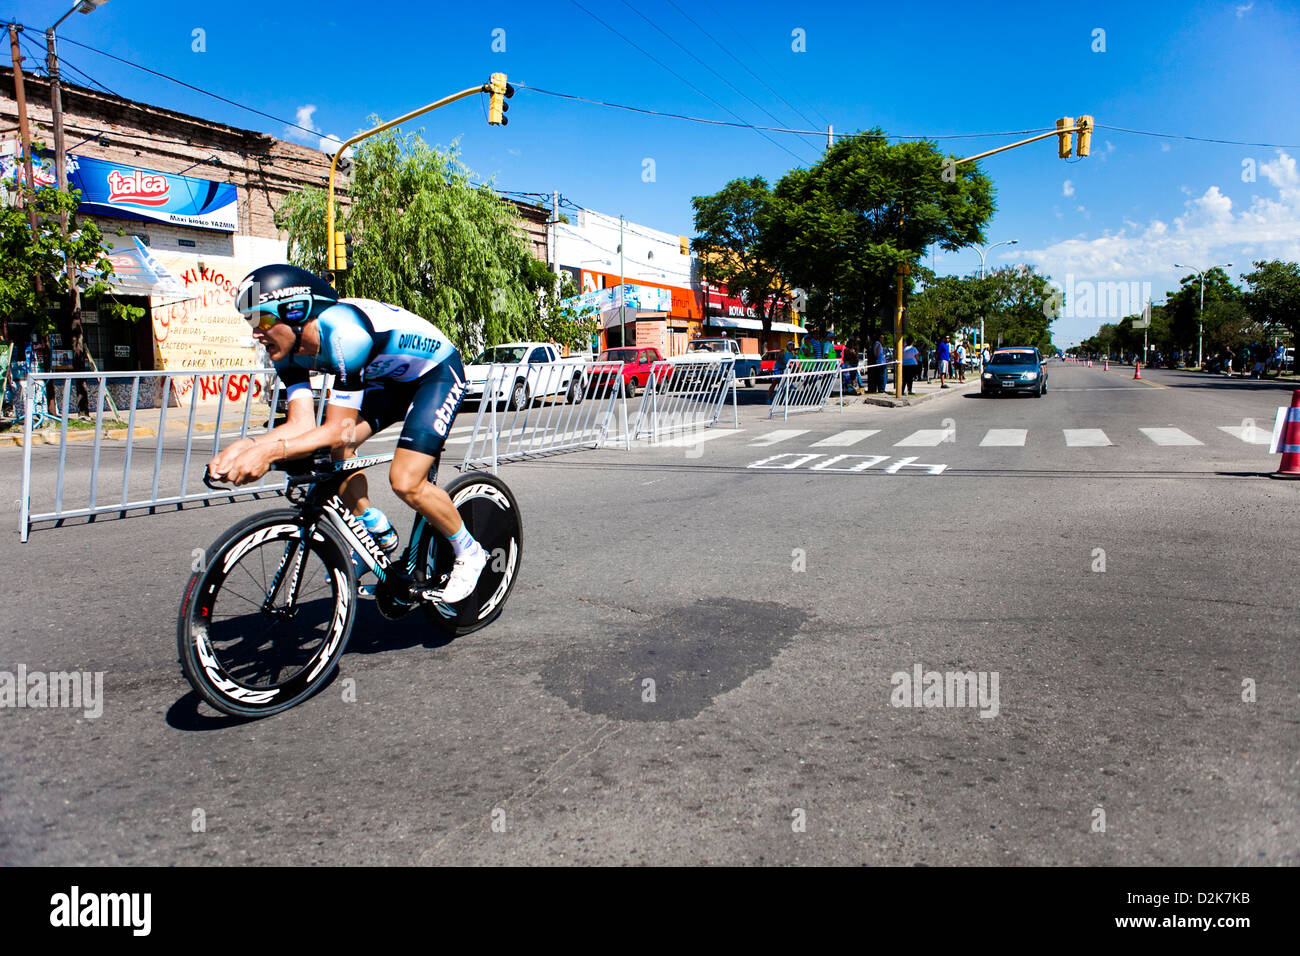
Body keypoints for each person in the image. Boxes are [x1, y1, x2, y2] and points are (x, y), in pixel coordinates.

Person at [208, 264, 485, 606]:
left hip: (435, 374)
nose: (256, 333)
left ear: (296, 311)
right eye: (250, 322)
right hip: (389, 383)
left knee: (406, 481)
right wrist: (247, 446)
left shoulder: (344, 334)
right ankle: (374, 529)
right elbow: (302, 426)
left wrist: (269, 453)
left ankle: (470, 552)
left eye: (262, 321)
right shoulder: (287, 351)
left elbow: (338, 430)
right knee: (335, 451)